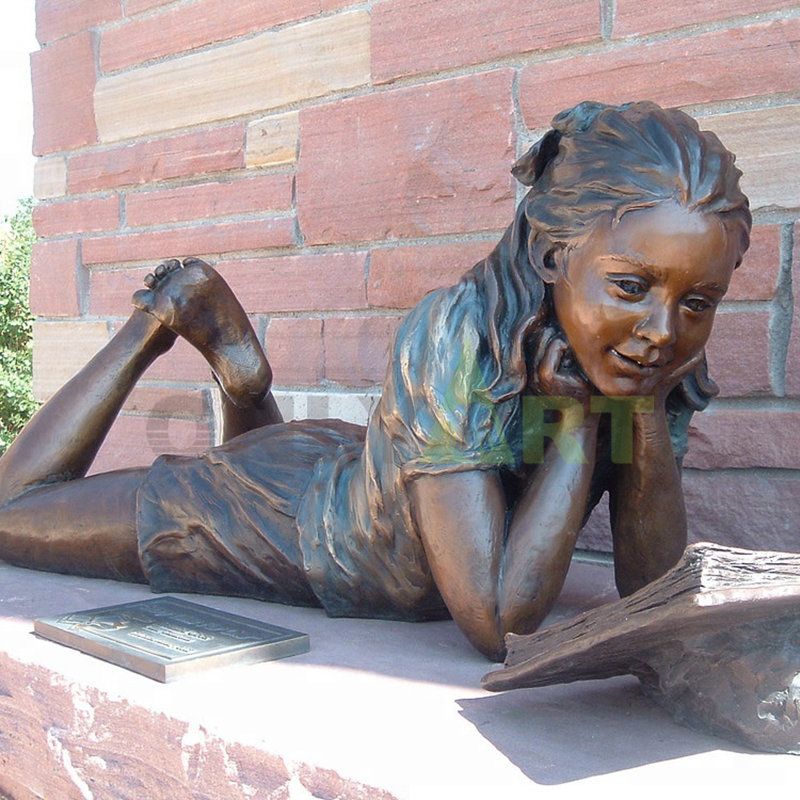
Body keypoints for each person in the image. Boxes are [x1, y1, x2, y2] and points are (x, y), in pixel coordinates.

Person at [0, 101, 750, 660]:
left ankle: (246, 388)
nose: (662, 329)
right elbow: (498, 621)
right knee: (12, 515)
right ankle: (165, 315)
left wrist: (641, 412)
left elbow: (652, 591)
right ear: (556, 256)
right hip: (280, 522)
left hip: (355, 482)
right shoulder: (458, 332)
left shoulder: (646, 356)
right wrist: (576, 428)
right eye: (630, 287)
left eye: (696, 302)